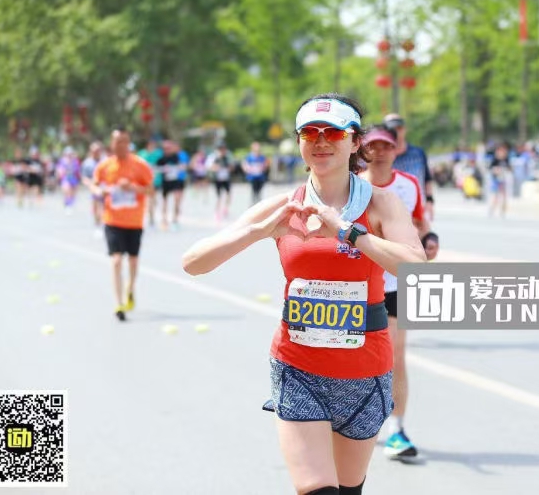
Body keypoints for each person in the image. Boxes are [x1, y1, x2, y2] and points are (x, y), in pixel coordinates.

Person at [182, 93, 426, 494]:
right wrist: (256, 231)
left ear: (355, 141)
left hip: (365, 371)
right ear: (299, 141)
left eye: (333, 133)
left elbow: (416, 268)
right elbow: (194, 262)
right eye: (310, 132)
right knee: (316, 489)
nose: (321, 141)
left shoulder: (380, 204)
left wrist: (350, 233)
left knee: (347, 489)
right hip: (298, 368)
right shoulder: (283, 206)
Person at [359, 124, 429, 461]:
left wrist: (429, 242)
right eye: (373, 145)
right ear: (363, 149)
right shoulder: (352, 185)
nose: (380, 152)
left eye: (386, 145)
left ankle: (396, 429)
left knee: (394, 356)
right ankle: (350, 417)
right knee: (357, 356)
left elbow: (421, 226)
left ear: (396, 149)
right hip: (358, 284)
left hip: (395, 284)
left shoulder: (409, 185)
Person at [92, 127, 154, 322]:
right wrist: (100, 191)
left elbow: (151, 190)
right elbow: (95, 185)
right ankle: (118, 303)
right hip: (112, 219)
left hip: (134, 221)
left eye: (125, 141)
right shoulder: (105, 166)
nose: (121, 145)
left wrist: (133, 187)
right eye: (118, 141)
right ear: (112, 143)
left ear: (129, 143)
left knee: (133, 261)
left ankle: (130, 288)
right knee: (117, 260)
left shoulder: (140, 165)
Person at [384, 113, 435, 221]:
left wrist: (430, 201)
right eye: (392, 129)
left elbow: (427, 178)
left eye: (399, 128)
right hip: (389, 211)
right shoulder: (381, 156)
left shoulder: (418, 153)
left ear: (405, 129)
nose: (396, 132)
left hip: (417, 209)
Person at [156, 140, 188, 230]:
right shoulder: (161, 158)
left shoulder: (176, 157)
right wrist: (163, 169)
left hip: (175, 181)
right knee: (164, 201)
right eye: (165, 148)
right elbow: (156, 168)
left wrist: (178, 168)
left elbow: (182, 166)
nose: (167, 150)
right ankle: (164, 220)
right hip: (165, 182)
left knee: (177, 200)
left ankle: (175, 219)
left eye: (169, 148)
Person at [82, 141, 107, 235]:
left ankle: (105, 224)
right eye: (94, 151)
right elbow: (84, 177)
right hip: (94, 188)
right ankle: (97, 225)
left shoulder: (106, 161)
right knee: (96, 207)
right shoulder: (87, 163)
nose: (96, 152)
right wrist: (90, 184)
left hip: (105, 188)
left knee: (104, 208)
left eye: (98, 150)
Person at [137, 139, 163, 227]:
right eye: (151, 145)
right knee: (149, 200)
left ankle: (151, 216)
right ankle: (150, 217)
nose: (152, 146)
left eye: (153, 145)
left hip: (156, 180)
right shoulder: (142, 154)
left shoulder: (158, 154)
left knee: (152, 199)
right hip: (145, 181)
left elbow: (163, 164)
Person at [209, 142, 234, 222]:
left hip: (226, 179)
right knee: (218, 197)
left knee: (228, 194)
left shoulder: (228, 157)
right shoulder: (214, 157)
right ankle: (217, 212)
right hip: (217, 179)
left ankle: (225, 209)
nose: (222, 151)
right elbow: (210, 167)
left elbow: (232, 167)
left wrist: (228, 168)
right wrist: (217, 167)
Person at [243, 141, 270, 206]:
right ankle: (254, 203)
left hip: (260, 177)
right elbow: (245, 164)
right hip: (252, 177)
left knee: (259, 190)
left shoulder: (262, 157)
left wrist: (263, 167)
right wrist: (247, 169)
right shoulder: (249, 157)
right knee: (254, 190)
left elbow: (266, 164)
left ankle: (258, 203)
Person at [488, 143, 511, 218]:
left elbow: (509, 168)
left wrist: (506, 170)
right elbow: (490, 169)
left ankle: (502, 211)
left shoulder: (506, 159)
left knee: (503, 196)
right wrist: (496, 170)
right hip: (496, 179)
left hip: (503, 180)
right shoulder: (495, 160)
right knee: (495, 196)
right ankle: (492, 209)